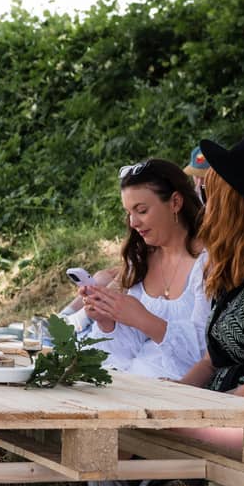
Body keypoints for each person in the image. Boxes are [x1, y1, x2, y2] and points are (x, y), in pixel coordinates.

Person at [80, 159, 208, 380]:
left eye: (142, 210)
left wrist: (143, 319)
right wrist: (106, 320)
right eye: (129, 212)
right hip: (133, 382)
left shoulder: (208, 261)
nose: (133, 222)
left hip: (181, 392)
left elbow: (207, 353)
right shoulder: (142, 260)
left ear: (175, 202)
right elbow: (121, 355)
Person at [173, 129, 244, 454]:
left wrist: (210, 409)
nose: (204, 208)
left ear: (236, 208)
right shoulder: (237, 267)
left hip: (241, 423)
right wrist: (179, 394)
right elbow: (213, 358)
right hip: (219, 411)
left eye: (211, 196)